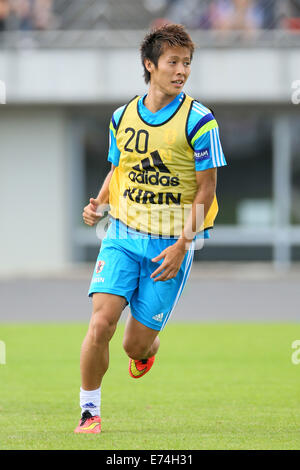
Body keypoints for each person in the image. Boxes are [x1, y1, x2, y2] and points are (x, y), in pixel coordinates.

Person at [74, 23, 227, 434]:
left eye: (187, 63)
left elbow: (207, 190)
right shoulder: (121, 116)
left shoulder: (200, 121)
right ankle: (89, 412)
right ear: (150, 64)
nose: (181, 71)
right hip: (122, 236)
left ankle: (147, 349)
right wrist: (99, 203)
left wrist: (182, 245)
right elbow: (118, 168)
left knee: (132, 344)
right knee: (101, 324)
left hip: (171, 244)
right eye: (173, 62)